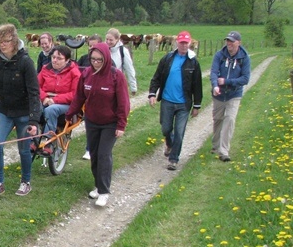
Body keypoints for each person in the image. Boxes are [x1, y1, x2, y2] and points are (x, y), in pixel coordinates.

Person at [0, 23, 41, 200]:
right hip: (4, 110)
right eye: (0, 41)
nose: (3, 44)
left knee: (24, 149)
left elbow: (34, 92)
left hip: (24, 112)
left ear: (15, 40)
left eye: (6, 41)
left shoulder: (26, 62)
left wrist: (34, 120)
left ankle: (26, 181)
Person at [66, 42, 130, 207]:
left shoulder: (116, 76)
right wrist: (70, 113)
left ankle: (104, 192)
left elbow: (124, 102)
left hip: (110, 122)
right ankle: (98, 184)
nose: (95, 63)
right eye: (92, 59)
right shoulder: (86, 74)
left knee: (103, 154)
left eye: (99, 60)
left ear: (106, 59)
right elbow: (79, 96)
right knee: (94, 155)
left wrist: (121, 125)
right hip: (92, 121)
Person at [148, 31, 203, 171]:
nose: (184, 45)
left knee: (179, 131)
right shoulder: (167, 59)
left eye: (186, 43)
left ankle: (173, 159)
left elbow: (197, 85)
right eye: (181, 42)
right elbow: (157, 77)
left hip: (183, 103)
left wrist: (197, 105)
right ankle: (169, 143)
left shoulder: (193, 62)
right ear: (177, 43)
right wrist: (152, 93)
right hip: (167, 100)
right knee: (166, 128)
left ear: (189, 43)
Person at [210, 31, 251, 162]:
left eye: (232, 41)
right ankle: (215, 145)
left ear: (239, 43)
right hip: (219, 94)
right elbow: (213, 72)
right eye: (227, 41)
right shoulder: (219, 55)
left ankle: (224, 151)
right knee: (218, 119)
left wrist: (227, 82)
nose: (229, 44)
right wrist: (215, 85)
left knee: (230, 119)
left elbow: (245, 79)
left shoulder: (244, 58)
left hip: (234, 94)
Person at [37, 44, 81, 155]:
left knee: (51, 110)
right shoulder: (45, 69)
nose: (55, 60)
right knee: (33, 108)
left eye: (59, 58)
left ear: (67, 60)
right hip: (46, 100)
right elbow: (35, 87)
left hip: (66, 104)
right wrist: (44, 98)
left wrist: (55, 100)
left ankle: (48, 141)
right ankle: (34, 137)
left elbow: (75, 94)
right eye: (53, 57)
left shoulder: (74, 72)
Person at [76, 34, 103, 160]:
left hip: (101, 99)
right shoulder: (83, 59)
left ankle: (91, 149)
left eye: (94, 46)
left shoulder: (108, 62)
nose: (91, 48)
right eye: (90, 46)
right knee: (89, 122)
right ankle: (90, 148)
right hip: (86, 96)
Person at [105, 28, 137, 95]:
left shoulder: (123, 51)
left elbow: (129, 69)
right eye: (107, 39)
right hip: (103, 84)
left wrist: (133, 87)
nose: (108, 42)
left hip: (117, 84)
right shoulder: (102, 50)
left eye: (111, 40)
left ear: (117, 39)